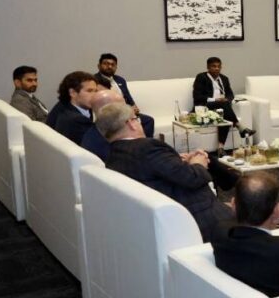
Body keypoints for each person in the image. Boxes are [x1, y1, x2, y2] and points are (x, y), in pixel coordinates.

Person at [98, 102, 236, 241]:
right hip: (199, 219)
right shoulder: (147, 147)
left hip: (166, 218)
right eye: (137, 118)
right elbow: (193, 178)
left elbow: (153, 169)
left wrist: (176, 160)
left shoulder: (113, 156)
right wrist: (198, 163)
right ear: (131, 124)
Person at [192, 57, 255, 151]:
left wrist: (227, 100)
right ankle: (240, 127)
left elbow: (230, 94)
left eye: (219, 66)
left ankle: (220, 148)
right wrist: (215, 100)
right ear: (208, 67)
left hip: (221, 107)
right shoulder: (201, 77)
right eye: (214, 66)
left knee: (225, 112)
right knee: (223, 105)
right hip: (204, 106)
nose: (217, 68)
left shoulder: (224, 78)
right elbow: (197, 96)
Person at [96, 53, 155, 138]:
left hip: (126, 112)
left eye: (113, 64)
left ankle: (144, 144)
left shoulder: (120, 80)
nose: (109, 66)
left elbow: (128, 96)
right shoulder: (94, 81)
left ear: (116, 67)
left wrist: (133, 107)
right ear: (99, 66)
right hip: (110, 115)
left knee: (148, 120)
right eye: (106, 64)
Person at [52, 71, 99, 145]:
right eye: (89, 91)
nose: (95, 95)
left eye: (96, 91)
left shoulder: (64, 107)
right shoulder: (77, 120)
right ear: (73, 93)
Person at [81, 86, 125, 161]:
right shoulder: (102, 144)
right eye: (122, 106)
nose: (126, 109)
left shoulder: (98, 131)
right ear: (108, 110)